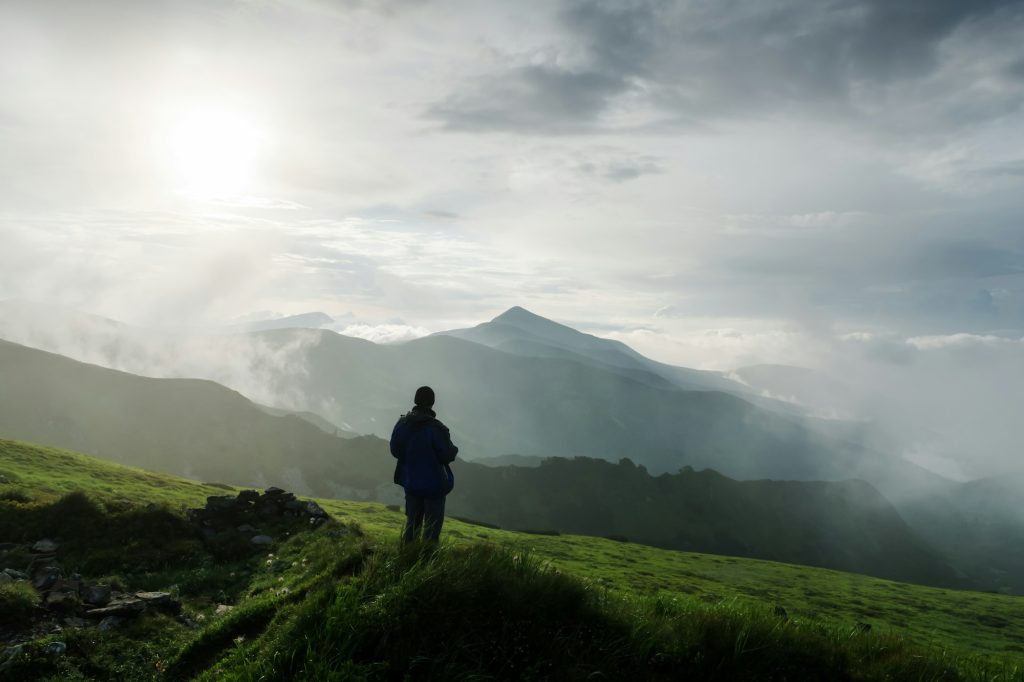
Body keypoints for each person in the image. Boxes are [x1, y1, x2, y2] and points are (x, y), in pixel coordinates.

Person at [390, 386, 459, 543]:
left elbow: (395, 450)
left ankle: (406, 558)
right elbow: (447, 454)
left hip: (411, 482)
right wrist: (454, 449)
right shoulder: (436, 428)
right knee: (431, 530)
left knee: (411, 525)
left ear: (415, 400)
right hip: (434, 486)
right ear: (432, 403)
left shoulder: (402, 424)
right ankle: (426, 562)